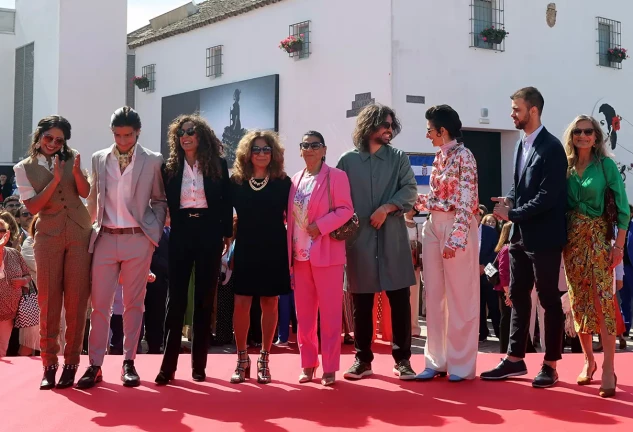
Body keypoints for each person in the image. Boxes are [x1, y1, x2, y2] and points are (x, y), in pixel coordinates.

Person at [481, 87, 568, 388]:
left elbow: (548, 197)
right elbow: (519, 188)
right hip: (519, 237)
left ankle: (551, 365)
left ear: (533, 110)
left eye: (516, 109)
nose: (512, 114)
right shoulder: (521, 144)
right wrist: (507, 202)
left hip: (544, 238)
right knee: (517, 297)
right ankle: (515, 360)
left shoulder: (553, 148)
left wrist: (512, 214)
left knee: (548, 299)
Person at [78, 107, 167, 389]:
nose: (123, 140)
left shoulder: (153, 160)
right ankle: (95, 364)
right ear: (112, 132)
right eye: (118, 134)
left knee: (134, 304)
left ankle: (129, 362)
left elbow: (160, 200)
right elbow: (94, 197)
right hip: (104, 237)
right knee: (100, 305)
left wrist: (151, 234)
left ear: (138, 132)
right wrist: (88, 229)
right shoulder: (99, 158)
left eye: (128, 135)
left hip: (137, 239)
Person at [337, 103, 418, 380]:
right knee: (361, 304)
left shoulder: (398, 158)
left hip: (393, 240)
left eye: (391, 126)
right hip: (359, 243)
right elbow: (336, 198)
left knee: (400, 301)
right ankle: (362, 360)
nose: (389, 130)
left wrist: (387, 207)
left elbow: (409, 190)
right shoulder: (347, 161)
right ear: (368, 125)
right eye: (384, 124)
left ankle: (403, 360)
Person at [13, 115, 93, 389]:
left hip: (79, 231)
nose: (54, 143)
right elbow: (33, 207)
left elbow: (84, 192)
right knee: (48, 301)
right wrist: (55, 179)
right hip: (47, 235)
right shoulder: (23, 167)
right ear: (39, 136)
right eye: (49, 138)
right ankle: (49, 365)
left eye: (59, 140)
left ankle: (71, 364)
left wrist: (76, 174)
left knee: (77, 300)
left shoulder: (74, 157)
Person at [155, 114, 233, 385]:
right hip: (181, 232)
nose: (185, 136)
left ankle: (199, 366)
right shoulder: (170, 167)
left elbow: (225, 202)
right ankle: (168, 367)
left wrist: (226, 234)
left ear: (202, 136)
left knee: (204, 299)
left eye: (191, 131)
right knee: (175, 301)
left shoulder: (218, 165)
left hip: (209, 233)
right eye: (181, 132)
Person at [560, 115, 628, 398]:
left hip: (600, 241)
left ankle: (609, 367)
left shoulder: (606, 166)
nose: (583, 135)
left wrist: (619, 247)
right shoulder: (564, 167)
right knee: (579, 302)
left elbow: (623, 209)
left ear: (597, 136)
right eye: (578, 131)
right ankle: (589, 360)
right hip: (572, 242)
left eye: (589, 131)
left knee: (603, 302)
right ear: (572, 135)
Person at [415, 105, 480, 382]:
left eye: (430, 129)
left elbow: (466, 200)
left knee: (461, 296)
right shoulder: (438, 157)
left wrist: (456, 238)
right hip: (432, 225)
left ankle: (461, 365)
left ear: (442, 131)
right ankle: (435, 361)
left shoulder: (465, 156)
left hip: (457, 226)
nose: (427, 134)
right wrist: (413, 203)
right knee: (434, 296)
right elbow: (435, 197)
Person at [287, 130, 354, 386]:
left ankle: (330, 367)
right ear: (300, 149)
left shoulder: (336, 176)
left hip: (326, 253)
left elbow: (346, 209)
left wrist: (322, 225)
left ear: (324, 149)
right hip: (299, 256)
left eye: (315, 145)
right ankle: (308, 364)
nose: (310, 149)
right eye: (305, 145)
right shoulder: (295, 179)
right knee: (303, 316)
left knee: (329, 314)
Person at [229, 130, 291, 384]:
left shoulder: (283, 182)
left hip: (274, 246)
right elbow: (225, 215)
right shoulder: (236, 182)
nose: (262, 154)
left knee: (270, 302)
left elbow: (296, 217)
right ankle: (242, 359)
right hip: (246, 246)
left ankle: (265, 358)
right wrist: (225, 240)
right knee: (241, 302)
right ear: (248, 153)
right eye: (257, 149)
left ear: (273, 153)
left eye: (266, 149)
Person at [0, 218, 31, 356]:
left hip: (9, 311)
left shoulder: (14, 253)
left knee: (2, 348)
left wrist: (22, 281)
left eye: (1, 231)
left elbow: (28, 275)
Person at [478, 206, 500, 342]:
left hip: (489, 270)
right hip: (472, 272)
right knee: (478, 305)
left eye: (478, 215)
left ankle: (499, 331)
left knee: (493, 303)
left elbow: (496, 251)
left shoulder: (490, 232)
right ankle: (482, 332)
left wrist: (484, 266)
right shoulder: (465, 231)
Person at [494, 222, 513, 354]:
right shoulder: (506, 249)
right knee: (507, 321)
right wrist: (508, 293)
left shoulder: (507, 248)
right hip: (505, 291)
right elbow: (503, 273)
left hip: (508, 290)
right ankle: (504, 350)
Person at [405, 208, 423, 337]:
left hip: (415, 263)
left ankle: (414, 327)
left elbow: (422, 244)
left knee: (414, 297)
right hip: (401, 264)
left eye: (411, 208)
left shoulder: (418, 226)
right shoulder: (399, 224)